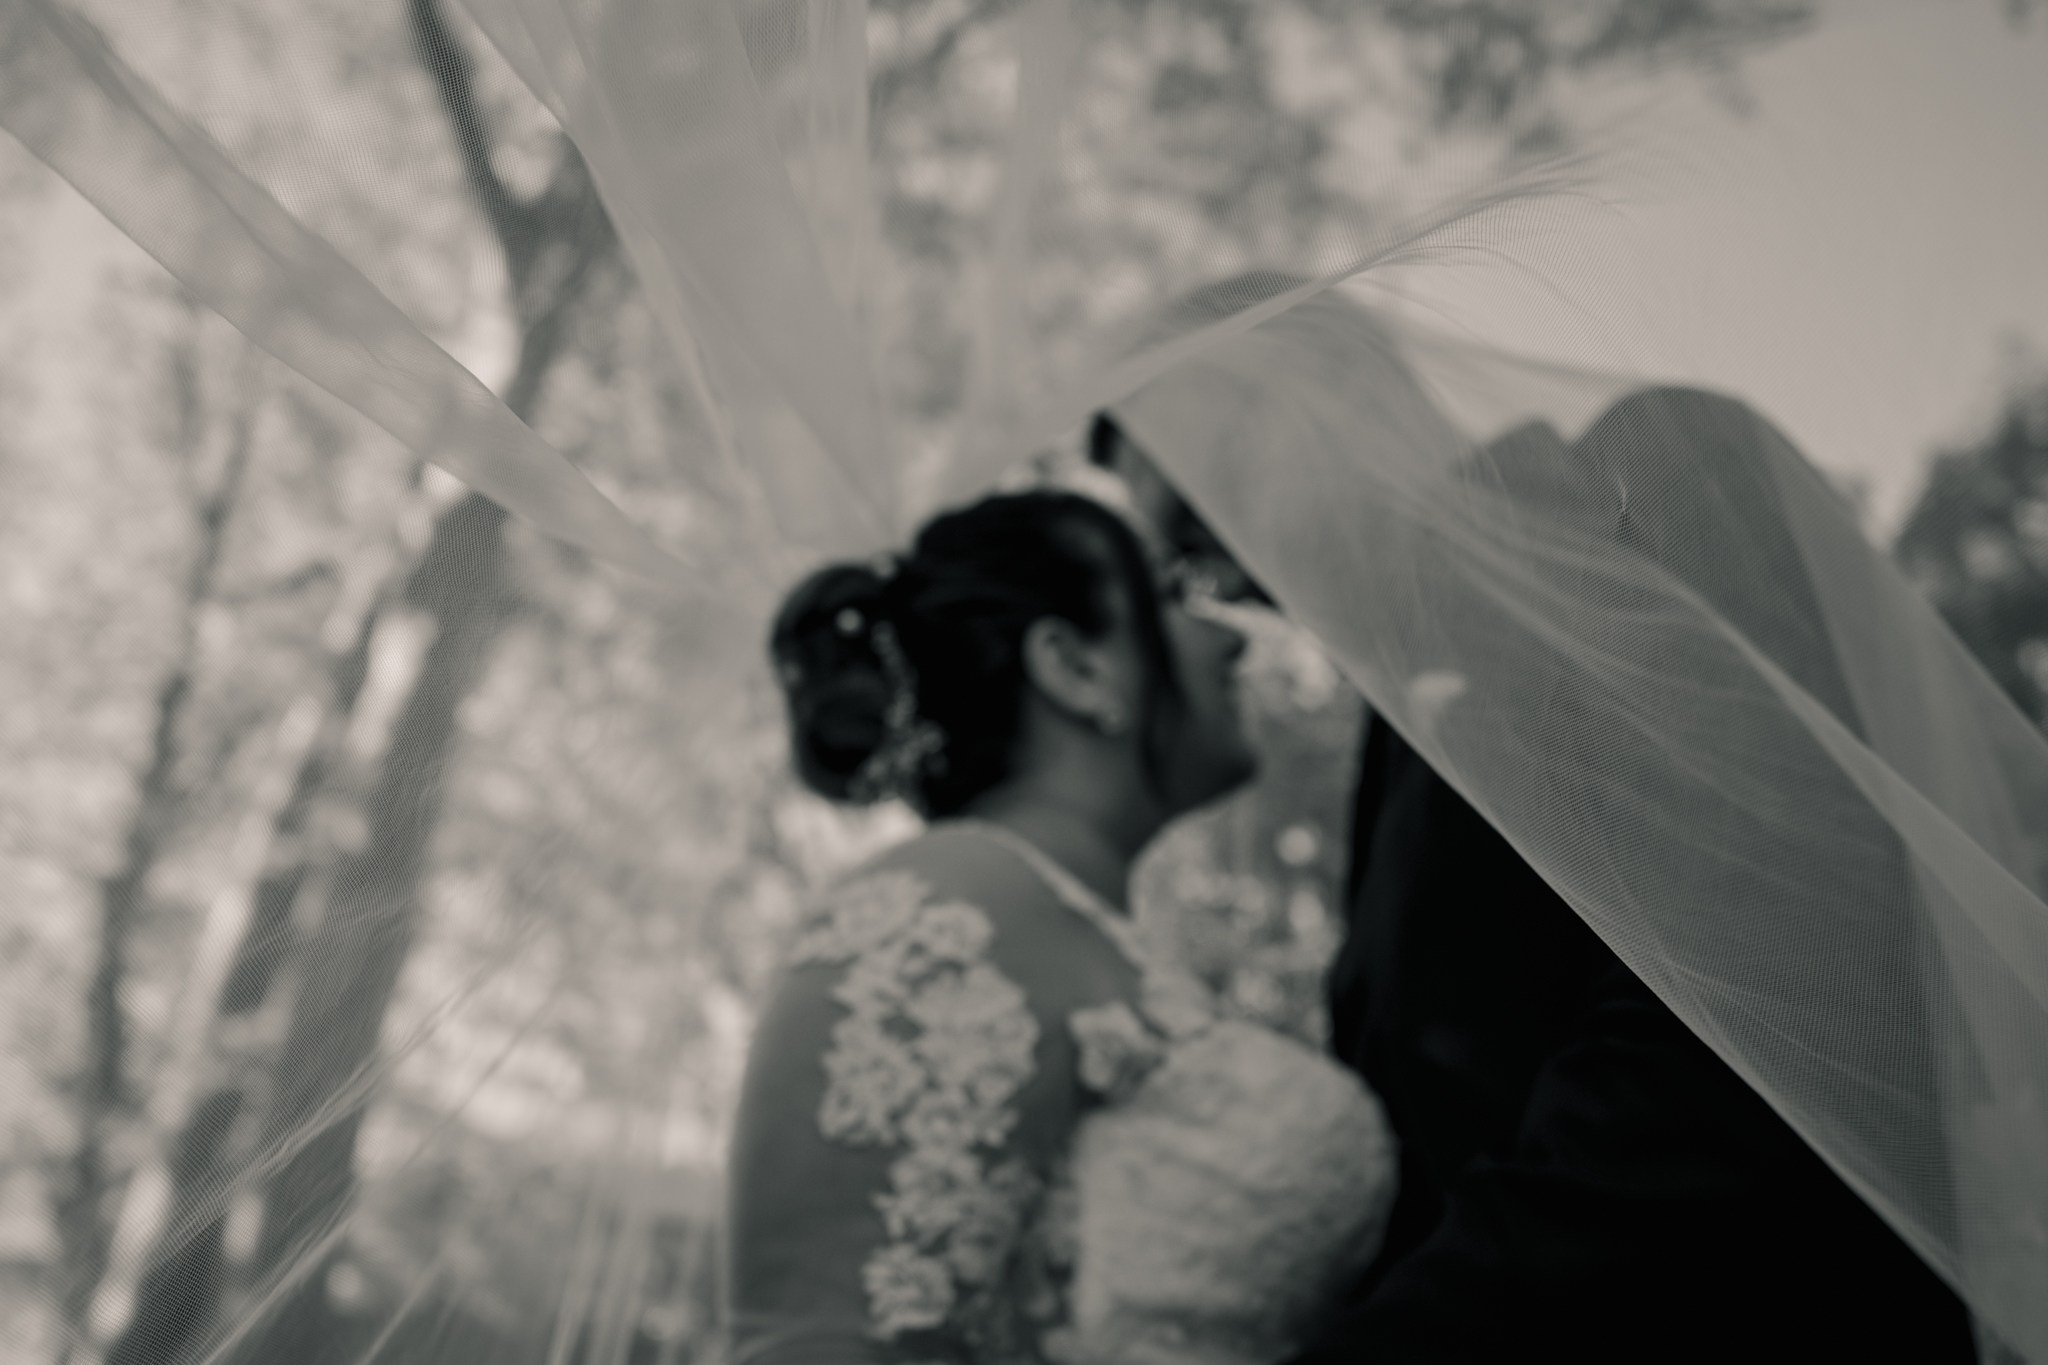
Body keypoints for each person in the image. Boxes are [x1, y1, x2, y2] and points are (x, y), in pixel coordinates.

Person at [1089, 390, 1977, 1363]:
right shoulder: (1391, 734)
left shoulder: (1641, 487)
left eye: (1193, 520)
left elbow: (1769, 1011)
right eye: (1182, 569)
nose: (1216, 587)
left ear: (1310, 402)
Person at [723, 489, 1400, 1363]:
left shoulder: (1079, 930)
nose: (1227, 633)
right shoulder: (939, 915)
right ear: (1073, 667)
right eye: (1165, 597)